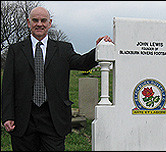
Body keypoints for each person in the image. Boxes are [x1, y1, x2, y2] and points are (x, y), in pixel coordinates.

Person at [2, 6, 112, 151]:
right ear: (29, 23)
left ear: (49, 23)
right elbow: (8, 85)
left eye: (43, 20)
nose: (39, 24)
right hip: (23, 119)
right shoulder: (15, 50)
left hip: (53, 118)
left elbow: (82, 62)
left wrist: (98, 49)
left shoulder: (63, 49)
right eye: (35, 20)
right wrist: (7, 116)